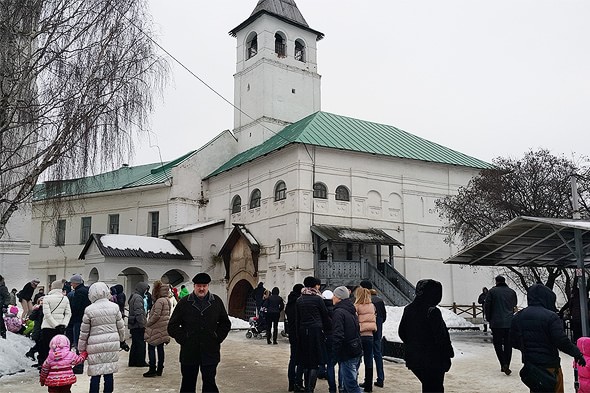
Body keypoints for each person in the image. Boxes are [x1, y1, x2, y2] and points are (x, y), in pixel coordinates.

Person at [511, 283, 586, 393]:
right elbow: (561, 341)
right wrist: (577, 353)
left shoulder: (518, 316)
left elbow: (513, 341)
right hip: (550, 366)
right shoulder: (551, 316)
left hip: (531, 366)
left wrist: (528, 348)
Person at [168, 272, 231, 393]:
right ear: (194, 286)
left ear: (208, 286)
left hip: (210, 352)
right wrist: (184, 338)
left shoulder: (216, 302)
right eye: (199, 286)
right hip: (189, 352)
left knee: (209, 383)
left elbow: (225, 323)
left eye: (204, 285)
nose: (201, 288)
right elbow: (172, 326)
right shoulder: (184, 303)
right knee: (188, 384)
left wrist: (217, 337)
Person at [399, 279, 454, 393]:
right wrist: (447, 354)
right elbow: (441, 337)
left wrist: (414, 344)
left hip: (415, 359)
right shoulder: (432, 311)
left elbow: (402, 332)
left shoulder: (408, 309)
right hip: (433, 359)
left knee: (428, 386)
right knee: (435, 388)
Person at [77, 282, 126, 393]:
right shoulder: (114, 307)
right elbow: (121, 326)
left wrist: (81, 348)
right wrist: (122, 340)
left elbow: (84, 332)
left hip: (95, 345)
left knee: (95, 374)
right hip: (111, 344)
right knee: (109, 373)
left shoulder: (89, 310)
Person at [295, 276, 331, 393]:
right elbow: (325, 316)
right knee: (314, 362)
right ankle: (310, 388)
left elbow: (297, 319)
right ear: (314, 285)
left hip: (303, 331)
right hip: (316, 331)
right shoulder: (318, 299)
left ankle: (306, 387)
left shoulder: (300, 300)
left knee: (306, 361)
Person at [331, 286, 362, 393]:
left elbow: (338, 335)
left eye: (334, 295)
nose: (332, 298)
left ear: (339, 297)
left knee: (351, 386)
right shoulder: (350, 310)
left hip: (346, 351)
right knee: (347, 385)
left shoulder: (339, 312)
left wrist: (334, 353)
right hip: (355, 348)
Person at [485, 275, 517, 375]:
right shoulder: (512, 292)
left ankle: (503, 363)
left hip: (496, 323)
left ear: (496, 282)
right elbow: (514, 304)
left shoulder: (492, 292)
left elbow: (487, 306)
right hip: (509, 322)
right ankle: (507, 363)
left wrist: (489, 318)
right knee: (508, 344)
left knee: (498, 344)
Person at [360, 280, 387, 388]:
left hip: (367, 331)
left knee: (368, 356)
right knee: (378, 354)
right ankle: (380, 378)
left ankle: (368, 380)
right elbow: (384, 317)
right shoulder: (379, 300)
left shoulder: (365, 301)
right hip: (378, 331)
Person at [38, 280, 72, 366]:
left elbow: (47, 314)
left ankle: (47, 366)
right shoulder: (65, 298)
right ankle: (58, 366)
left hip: (47, 327)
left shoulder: (46, 298)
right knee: (59, 349)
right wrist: (64, 324)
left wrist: (55, 325)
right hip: (61, 328)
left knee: (47, 348)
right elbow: (68, 313)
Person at [143, 280, 171, 378]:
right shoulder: (167, 300)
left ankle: (152, 368)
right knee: (160, 348)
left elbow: (156, 315)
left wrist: (148, 323)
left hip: (155, 328)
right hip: (163, 328)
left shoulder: (159, 301)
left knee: (151, 347)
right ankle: (160, 368)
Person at [355, 287, 377, 392]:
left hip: (359, 335)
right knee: (369, 360)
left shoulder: (357, 306)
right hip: (370, 335)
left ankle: (353, 381)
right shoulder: (372, 306)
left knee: (356, 360)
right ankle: (369, 385)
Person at [285, 283, 304, 392]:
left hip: (292, 333)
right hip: (299, 333)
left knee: (292, 359)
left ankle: (291, 383)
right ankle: (298, 382)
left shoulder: (289, 303)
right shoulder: (299, 302)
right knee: (301, 360)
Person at [318, 289, 336, 393]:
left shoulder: (320, 309)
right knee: (330, 364)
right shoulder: (336, 309)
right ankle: (332, 388)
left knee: (320, 359)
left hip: (322, 336)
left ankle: (321, 371)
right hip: (333, 336)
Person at [128, 281, 149, 367]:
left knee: (135, 344)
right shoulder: (138, 298)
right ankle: (140, 361)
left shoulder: (134, 296)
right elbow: (139, 312)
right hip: (137, 325)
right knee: (140, 344)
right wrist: (143, 324)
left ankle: (133, 361)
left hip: (133, 324)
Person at [68, 274, 91, 350]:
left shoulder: (78, 292)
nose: (71, 285)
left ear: (75, 283)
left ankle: (79, 358)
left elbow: (76, 306)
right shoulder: (86, 290)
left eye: (72, 283)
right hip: (86, 317)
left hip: (78, 319)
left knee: (78, 338)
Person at [26, 297, 44, 362]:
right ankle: (31, 353)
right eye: (41, 301)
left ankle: (31, 353)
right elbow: (32, 317)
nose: (42, 302)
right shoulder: (37, 309)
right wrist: (35, 310)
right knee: (40, 345)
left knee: (41, 345)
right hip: (38, 330)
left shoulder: (46, 309)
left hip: (42, 330)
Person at [0, 274, 10, 339]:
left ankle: (3, 334)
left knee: (0, 321)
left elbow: (7, 297)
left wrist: (5, 306)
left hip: (0, 306)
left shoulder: (3, 288)